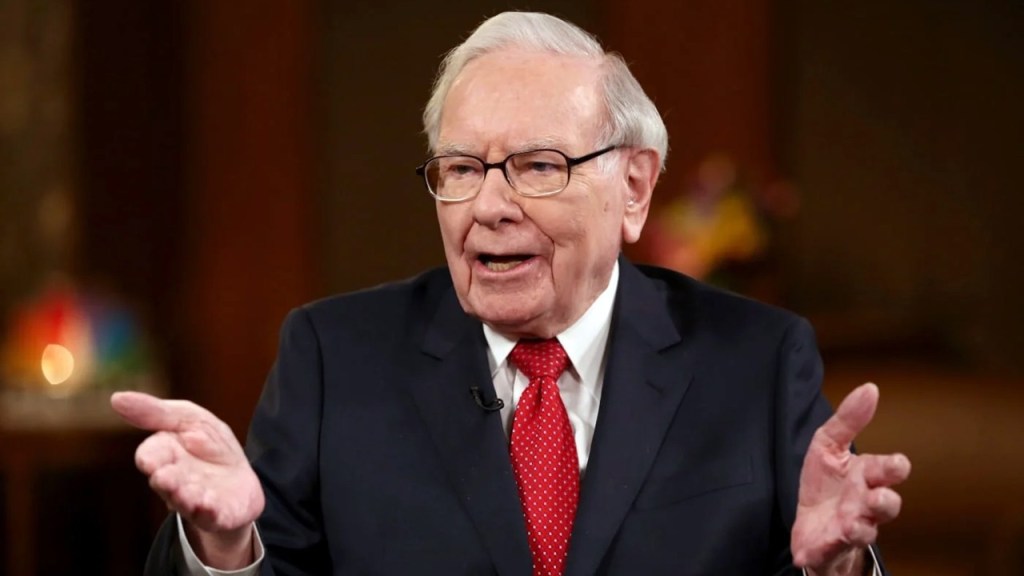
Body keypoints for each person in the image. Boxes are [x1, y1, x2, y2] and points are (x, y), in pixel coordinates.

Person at [111, 11, 910, 576]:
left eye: (537, 167)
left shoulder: (757, 362)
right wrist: (224, 550)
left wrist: (837, 570)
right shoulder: (333, 358)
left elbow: (814, 553)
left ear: (634, 188)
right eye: (461, 169)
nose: (489, 206)